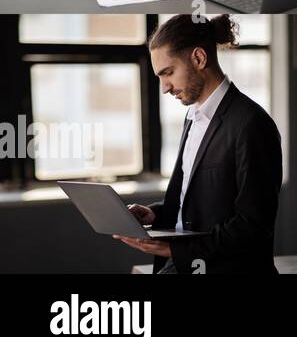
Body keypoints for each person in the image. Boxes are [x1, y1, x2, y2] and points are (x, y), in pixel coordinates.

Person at [116, 15, 282, 274]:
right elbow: (197, 203)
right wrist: (155, 215)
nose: (164, 88)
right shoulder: (193, 117)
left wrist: (175, 250)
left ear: (198, 58)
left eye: (168, 73)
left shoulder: (252, 124)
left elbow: (253, 225)